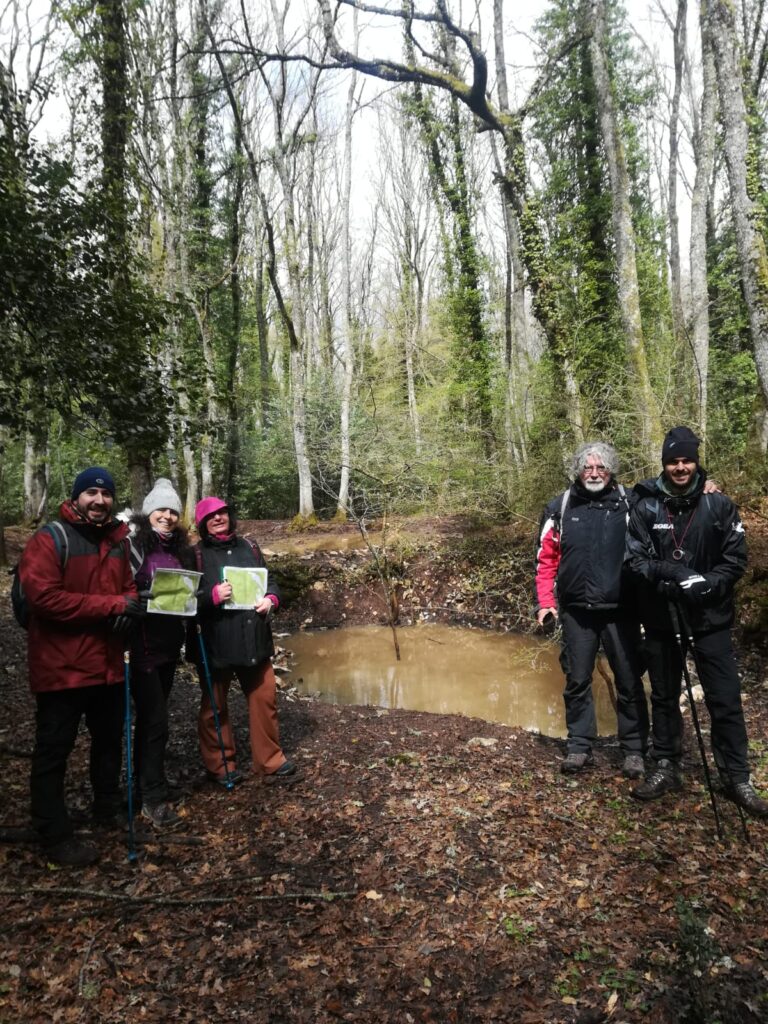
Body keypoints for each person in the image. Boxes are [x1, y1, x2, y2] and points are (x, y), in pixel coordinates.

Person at [624, 426, 768, 815]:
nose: (680, 467)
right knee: (664, 696)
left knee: (725, 698)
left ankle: (736, 776)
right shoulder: (646, 505)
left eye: (686, 460)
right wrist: (668, 576)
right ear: (664, 464)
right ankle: (666, 764)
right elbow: (636, 559)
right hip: (662, 617)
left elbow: (735, 559)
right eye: (673, 461)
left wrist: (707, 584)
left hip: (710, 618)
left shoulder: (718, 504)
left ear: (696, 462)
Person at [18, 467, 143, 866]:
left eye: (106, 495)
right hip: (62, 667)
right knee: (54, 750)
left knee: (108, 741)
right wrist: (113, 606)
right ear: (76, 498)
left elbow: (129, 590)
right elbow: (44, 599)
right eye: (91, 493)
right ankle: (53, 832)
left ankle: (106, 806)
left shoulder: (118, 541)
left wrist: (128, 612)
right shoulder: (50, 539)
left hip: (107, 665)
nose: (99, 501)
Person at [535, 442, 649, 777]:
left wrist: (706, 485)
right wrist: (545, 602)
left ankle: (634, 750)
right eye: (588, 467)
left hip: (622, 609)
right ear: (578, 470)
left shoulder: (631, 503)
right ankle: (579, 746)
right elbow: (545, 561)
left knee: (629, 680)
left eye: (601, 467)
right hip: (577, 611)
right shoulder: (559, 507)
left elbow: (670, 501)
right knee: (577, 680)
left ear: (611, 471)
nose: (594, 473)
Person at [193, 496, 297, 786]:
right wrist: (211, 596)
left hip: (254, 639)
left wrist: (271, 599)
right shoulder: (195, 554)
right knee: (214, 707)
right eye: (211, 516)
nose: (218, 518)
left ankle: (270, 760)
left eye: (222, 513)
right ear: (202, 523)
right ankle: (221, 766)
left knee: (265, 700)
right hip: (216, 642)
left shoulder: (250, 547)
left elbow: (270, 582)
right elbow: (185, 599)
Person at [128, 478, 194, 832]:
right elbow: (121, 587)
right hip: (140, 647)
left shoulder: (180, 550)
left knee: (153, 720)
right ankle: (152, 798)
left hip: (168, 645)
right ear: (148, 512)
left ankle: (146, 783)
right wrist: (140, 597)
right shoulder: (133, 545)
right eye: (160, 510)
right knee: (155, 721)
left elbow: (187, 590)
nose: (166, 516)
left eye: (172, 511)